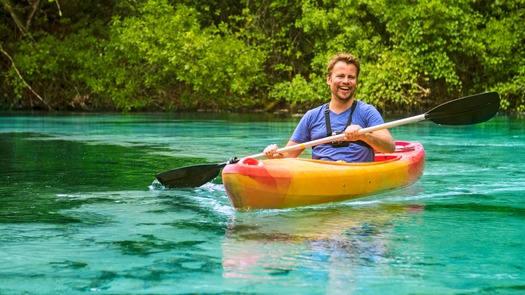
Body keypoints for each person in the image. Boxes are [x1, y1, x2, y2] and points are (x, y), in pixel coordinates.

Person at [263, 52, 395, 162]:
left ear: (356, 82)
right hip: (322, 175)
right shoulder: (312, 116)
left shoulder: (367, 112)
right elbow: (288, 156)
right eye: (340, 76)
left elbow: (390, 147)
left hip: (358, 175)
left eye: (351, 77)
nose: (346, 81)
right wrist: (274, 154)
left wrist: (364, 136)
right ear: (329, 79)